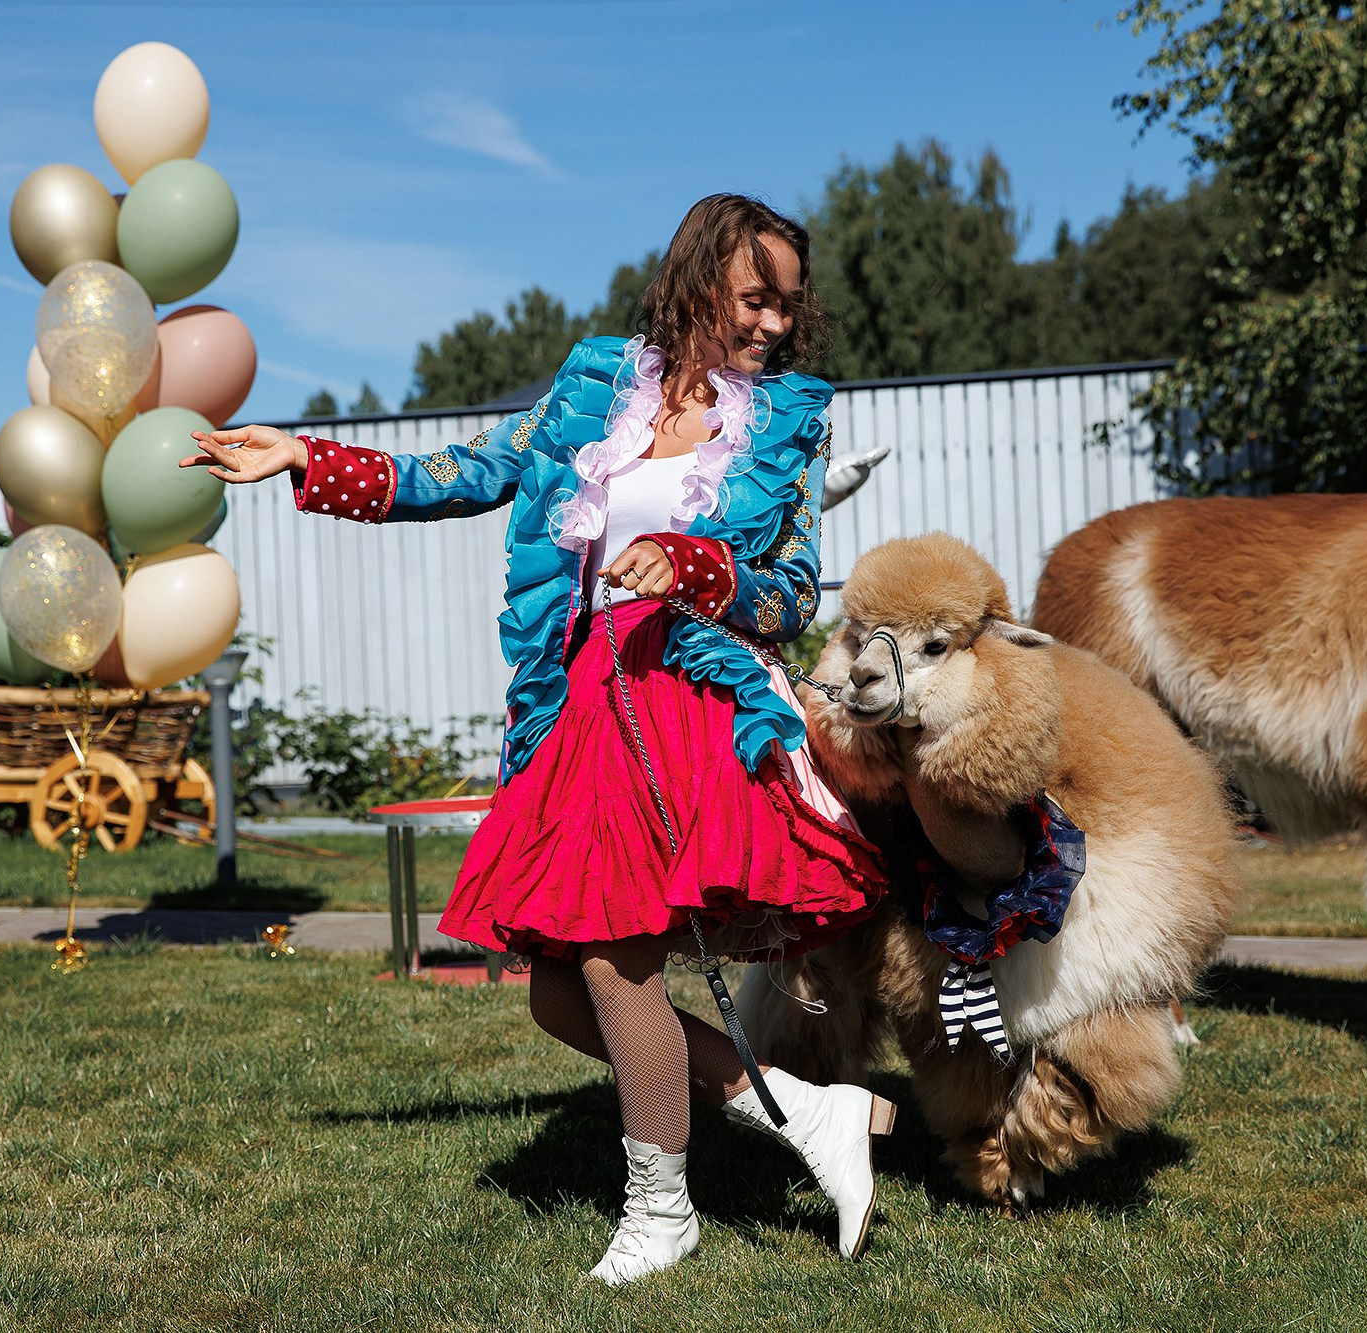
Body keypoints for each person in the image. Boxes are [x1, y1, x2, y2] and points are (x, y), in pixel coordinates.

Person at [179, 194, 894, 1284]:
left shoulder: (787, 419)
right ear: (700, 280)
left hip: (685, 698)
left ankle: (660, 1211)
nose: (773, 326)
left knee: (611, 960)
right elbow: (463, 471)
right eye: (756, 299)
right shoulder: (594, 383)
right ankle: (801, 1107)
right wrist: (302, 459)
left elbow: (793, 591)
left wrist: (695, 566)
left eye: (788, 307)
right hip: (583, 703)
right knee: (559, 990)